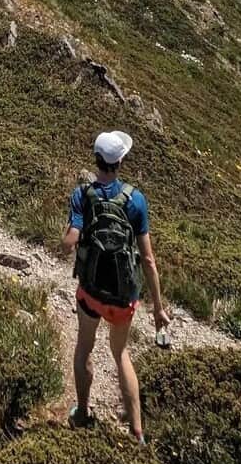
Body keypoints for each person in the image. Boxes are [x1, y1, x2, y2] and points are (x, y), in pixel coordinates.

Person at [62, 130, 171, 443]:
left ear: (96, 159)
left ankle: (82, 413)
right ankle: (137, 432)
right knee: (121, 353)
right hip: (124, 296)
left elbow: (70, 240)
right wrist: (159, 309)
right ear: (120, 161)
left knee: (85, 345)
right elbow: (148, 260)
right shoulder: (135, 201)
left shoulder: (82, 195)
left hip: (91, 291)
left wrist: (67, 238)